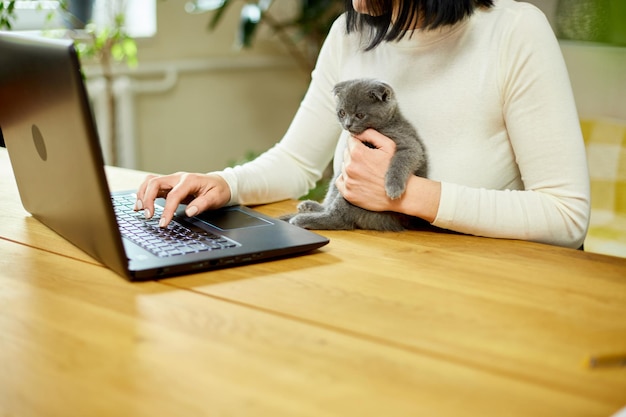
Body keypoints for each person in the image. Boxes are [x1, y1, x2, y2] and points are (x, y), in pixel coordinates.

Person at [136, 0, 590, 249]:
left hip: (484, 299)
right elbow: (297, 161)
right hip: (374, 277)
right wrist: (221, 183)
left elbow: (566, 216)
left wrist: (411, 194)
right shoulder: (348, 33)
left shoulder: (515, 33)